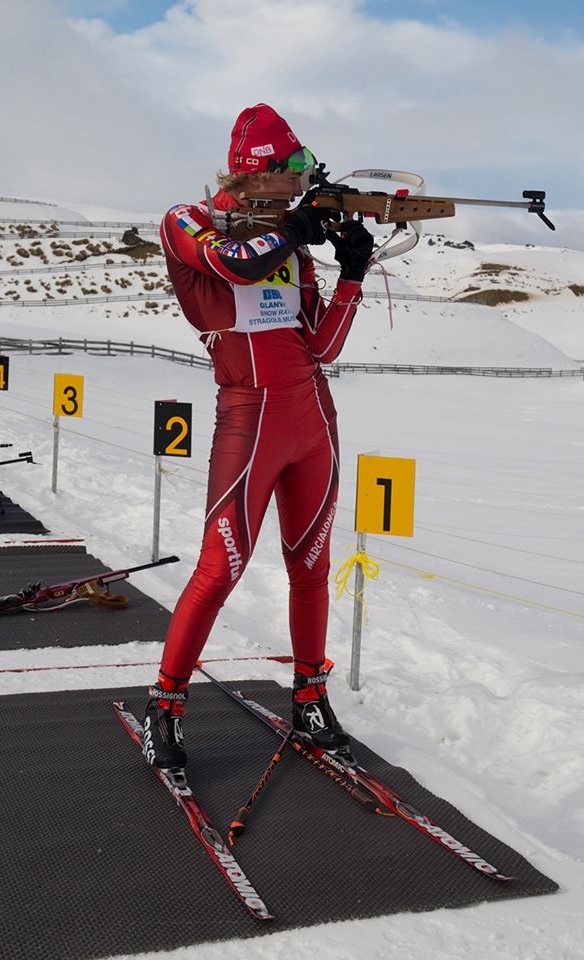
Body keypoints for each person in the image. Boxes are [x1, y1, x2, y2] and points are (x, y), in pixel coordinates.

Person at [144, 103, 374, 770]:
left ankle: (308, 695)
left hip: (313, 420)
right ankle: (167, 702)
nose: (303, 178)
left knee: (311, 569)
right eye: (294, 167)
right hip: (249, 420)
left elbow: (322, 347)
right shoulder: (187, 221)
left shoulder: (291, 247)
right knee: (220, 569)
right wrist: (296, 229)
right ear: (261, 172)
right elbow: (237, 266)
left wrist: (352, 274)